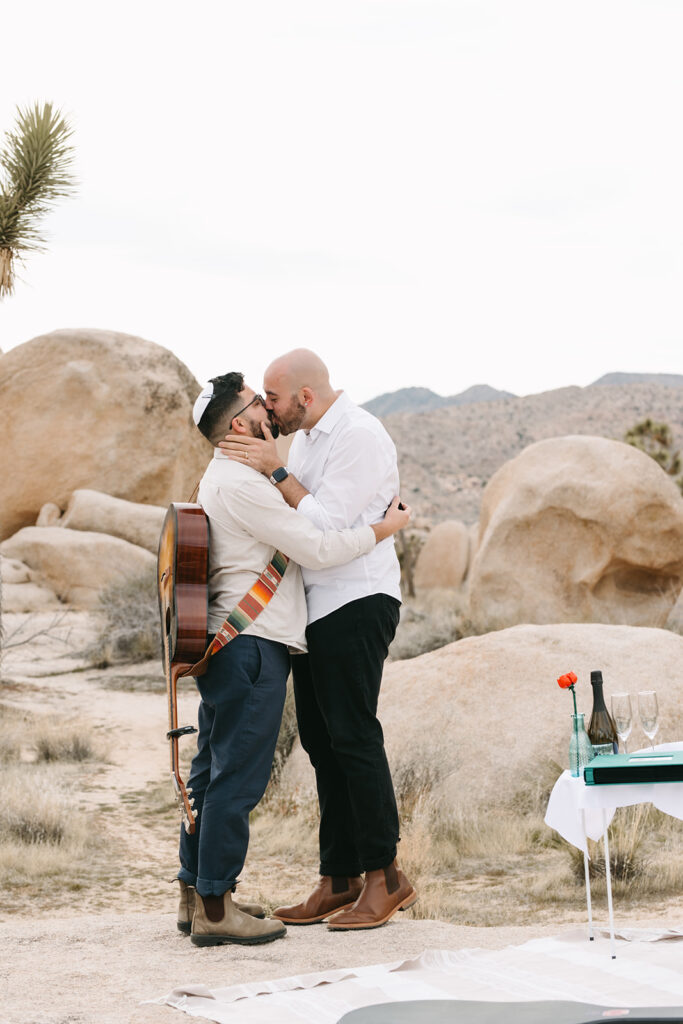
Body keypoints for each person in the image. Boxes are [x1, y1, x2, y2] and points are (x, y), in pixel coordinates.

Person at [177, 371, 410, 947]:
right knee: (236, 778)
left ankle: (200, 894)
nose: (267, 410)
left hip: (256, 636)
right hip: (252, 644)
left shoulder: (238, 473)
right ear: (239, 422)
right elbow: (319, 544)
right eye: (259, 402)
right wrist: (389, 527)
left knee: (215, 771)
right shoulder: (246, 481)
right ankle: (215, 903)